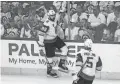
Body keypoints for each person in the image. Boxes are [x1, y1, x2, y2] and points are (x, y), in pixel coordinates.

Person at [37, 10, 68, 78]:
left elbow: (58, 22)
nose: (53, 16)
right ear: (48, 16)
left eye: (53, 15)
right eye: (51, 15)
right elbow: (41, 34)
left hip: (55, 38)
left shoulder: (55, 19)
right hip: (48, 41)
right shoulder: (46, 23)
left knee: (65, 49)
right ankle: (49, 72)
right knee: (50, 58)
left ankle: (61, 64)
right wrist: (40, 47)